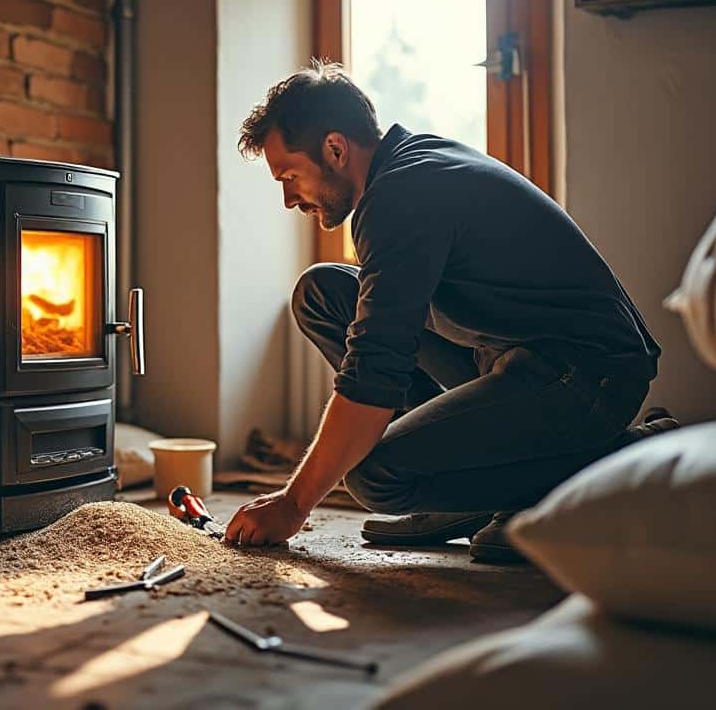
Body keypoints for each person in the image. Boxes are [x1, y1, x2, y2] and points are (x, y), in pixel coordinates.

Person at [222, 61, 670, 562]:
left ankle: (634, 452)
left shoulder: (400, 198)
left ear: (334, 149)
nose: (288, 199)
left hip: (588, 376)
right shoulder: (404, 169)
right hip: (508, 356)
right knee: (323, 292)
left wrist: (294, 503)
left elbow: (374, 371)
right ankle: (462, 479)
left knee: (375, 478)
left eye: (290, 176)